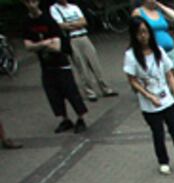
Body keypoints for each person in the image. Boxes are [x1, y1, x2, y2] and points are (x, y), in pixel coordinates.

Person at [124, 17, 174, 175]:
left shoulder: (158, 50)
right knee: (158, 133)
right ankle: (163, 161)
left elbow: (169, 74)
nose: (143, 36)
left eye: (145, 32)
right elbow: (132, 80)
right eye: (139, 33)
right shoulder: (131, 56)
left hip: (166, 99)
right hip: (150, 104)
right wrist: (148, 96)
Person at [22, 0, 87, 134]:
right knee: (53, 94)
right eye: (28, 2)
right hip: (45, 65)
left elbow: (57, 46)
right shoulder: (26, 22)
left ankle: (81, 118)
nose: (31, 5)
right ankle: (65, 119)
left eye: (33, 1)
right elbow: (28, 46)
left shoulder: (48, 19)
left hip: (61, 63)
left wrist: (37, 45)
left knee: (70, 91)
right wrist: (45, 43)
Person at [49, 0, 118, 102]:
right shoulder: (54, 9)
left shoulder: (74, 7)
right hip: (72, 39)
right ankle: (90, 92)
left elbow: (84, 21)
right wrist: (76, 24)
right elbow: (60, 25)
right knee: (81, 66)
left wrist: (71, 24)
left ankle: (105, 88)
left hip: (84, 37)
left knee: (95, 63)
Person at [133, 0, 174, 114]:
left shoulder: (158, 11)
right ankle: (160, 102)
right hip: (153, 50)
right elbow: (135, 31)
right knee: (158, 77)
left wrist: (160, 5)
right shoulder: (138, 12)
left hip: (169, 49)